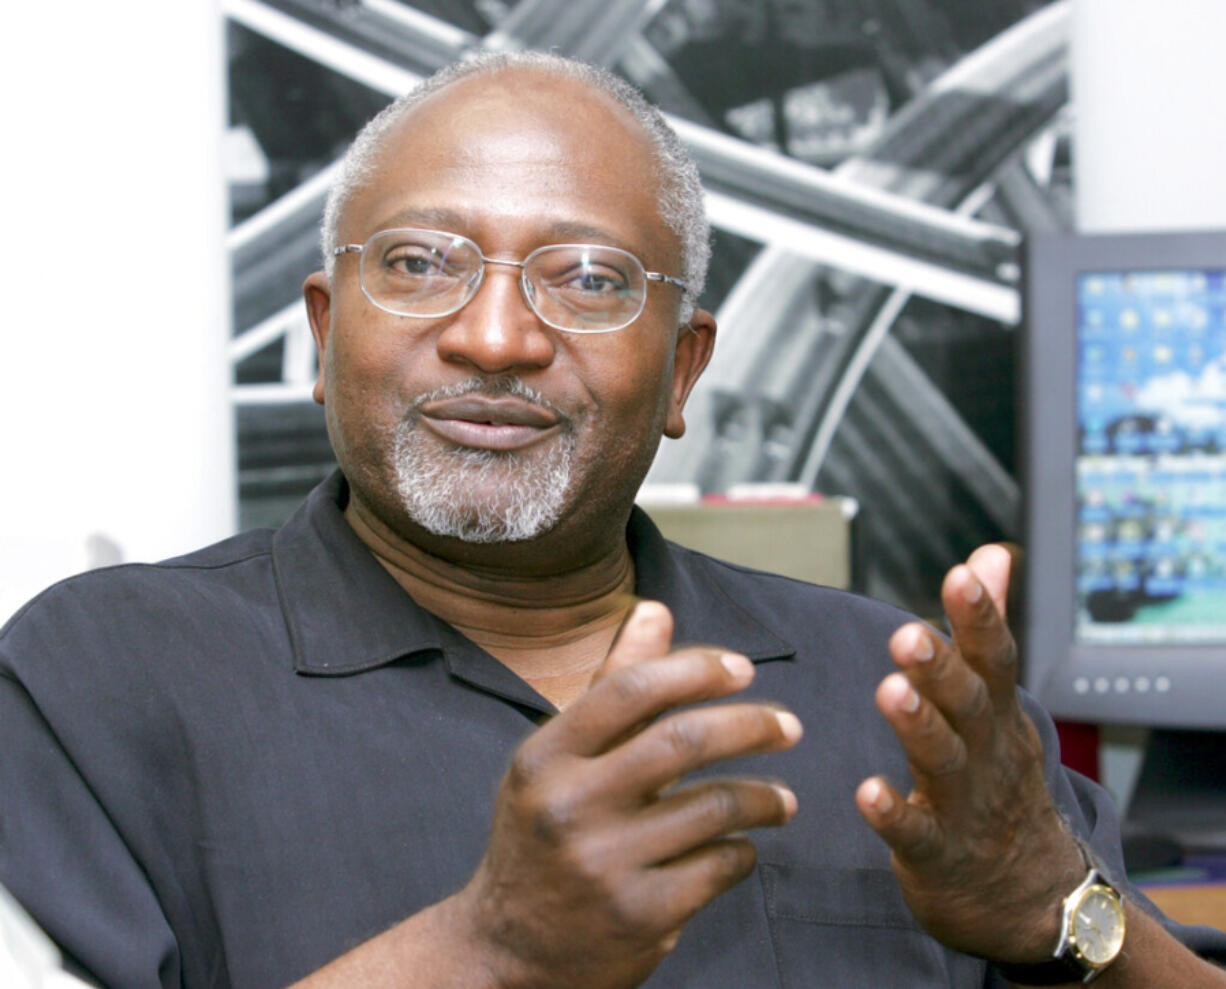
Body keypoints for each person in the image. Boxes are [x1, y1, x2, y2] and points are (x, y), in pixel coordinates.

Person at [1, 50, 1223, 989]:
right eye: (421, 263)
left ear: (685, 371)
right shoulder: (96, 676)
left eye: (587, 280)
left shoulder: (899, 698)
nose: (495, 337)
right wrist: (489, 946)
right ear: (323, 335)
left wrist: (1066, 914)